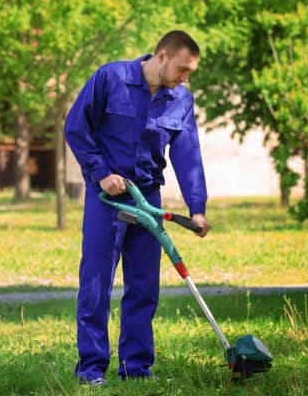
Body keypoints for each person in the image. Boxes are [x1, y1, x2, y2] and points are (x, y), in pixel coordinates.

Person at [64, 30, 211, 386]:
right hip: (106, 198)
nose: (185, 78)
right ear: (161, 56)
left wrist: (197, 207)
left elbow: (187, 154)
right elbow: (76, 127)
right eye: (182, 69)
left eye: (189, 72)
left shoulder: (180, 100)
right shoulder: (110, 78)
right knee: (96, 283)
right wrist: (100, 173)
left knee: (144, 286)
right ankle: (91, 370)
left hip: (149, 197)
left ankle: (136, 369)